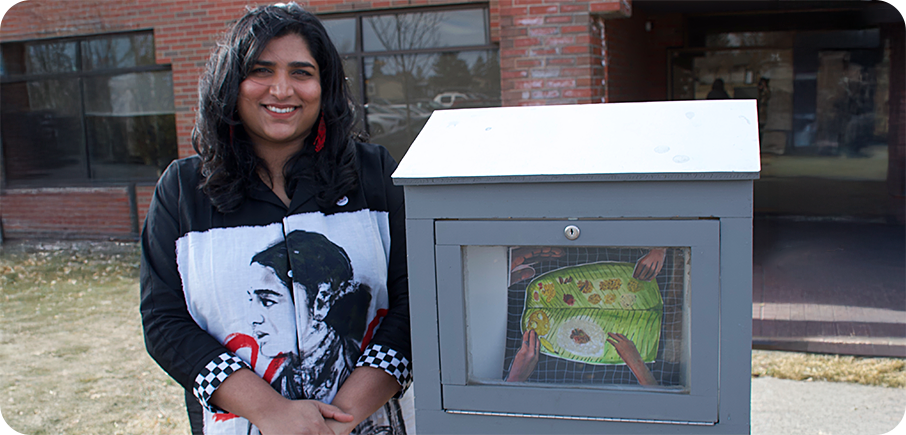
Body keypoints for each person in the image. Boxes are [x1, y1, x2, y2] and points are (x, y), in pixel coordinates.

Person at [140, 3, 410, 435]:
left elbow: (415, 305)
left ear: (324, 86)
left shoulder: (374, 174)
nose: (282, 89)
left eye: (301, 72)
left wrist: (340, 418)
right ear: (232, 83)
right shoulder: (183, 191)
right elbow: (164, 322)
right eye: (261, 71)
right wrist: (271, 412)